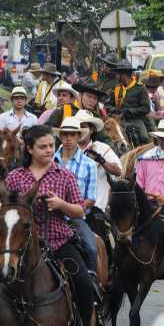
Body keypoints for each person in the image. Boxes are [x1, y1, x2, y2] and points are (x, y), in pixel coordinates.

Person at [0, 125, 104, 326]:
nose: (50, 150)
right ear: (29, 149)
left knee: (83, 282)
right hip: (19, 243)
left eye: (51, 145)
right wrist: (15, 206)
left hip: (58, 240)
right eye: (43, 146)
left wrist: (61, 204)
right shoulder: (15, 176)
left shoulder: (63, 176)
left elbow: (80, 211)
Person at [53, 117, 99, 273]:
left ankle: (92, 280)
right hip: (49, 215)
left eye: (72, 135)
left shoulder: (89, 164)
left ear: (79, 137)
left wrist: (68, 208)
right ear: (60, 136)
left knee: (92, 249)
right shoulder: (49, 160)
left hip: (75, 218)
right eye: (65, 134)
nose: (68, 138)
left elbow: (91, 199)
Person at [75, 110, 122, 214]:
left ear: (91, 130)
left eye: (83, 126)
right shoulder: (66, 147)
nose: (80, 130)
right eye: (77, 126)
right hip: (70, 208)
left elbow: (118, 171)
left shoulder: (103, 148)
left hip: (98, 209)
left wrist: (101, 160)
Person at [108, 60, 152, 145]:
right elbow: (108, 104)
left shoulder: (140, 88)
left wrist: (129, 111)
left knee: (144, 137)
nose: (117, 77)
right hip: (119, 120)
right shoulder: (116, 88)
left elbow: (146, 108)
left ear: (125, 75)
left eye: (118, 74)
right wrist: (114, 110)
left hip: (135, 120)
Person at [135, 119, 164, 206]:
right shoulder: (145, 158)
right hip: (147, 205)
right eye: (162, 138)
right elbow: (138, 184)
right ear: (157, 138)